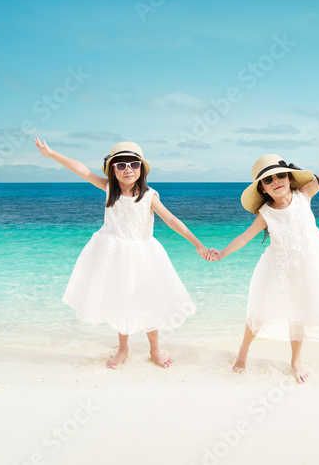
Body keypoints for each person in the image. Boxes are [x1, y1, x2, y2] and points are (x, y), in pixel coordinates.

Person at [34, 138, 219, 368]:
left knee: (150, 301)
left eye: (133, 164)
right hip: (113, 253)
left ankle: (155, 350)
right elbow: (81, 170)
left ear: (141, 168)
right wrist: (52, 154)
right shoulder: (110, 188)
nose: (128, 169)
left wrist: (197, 244)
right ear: (113, 169)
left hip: (144, 254)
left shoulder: (149, 195)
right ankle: (123, 349)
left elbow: (171, 220)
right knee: (120, 300)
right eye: (121, 165)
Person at [219, 132, 319, 381]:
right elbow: (245, 237)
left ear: (289, 177)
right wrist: (222, 253)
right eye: (268, 180)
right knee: (259, 312)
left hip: (311, 262)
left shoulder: (304, 195)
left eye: (280, 175)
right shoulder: (266, 213)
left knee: (299, 313)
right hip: (280, 266)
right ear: (263, 188)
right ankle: (243, 350)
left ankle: (295, 361)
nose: (276, 181)